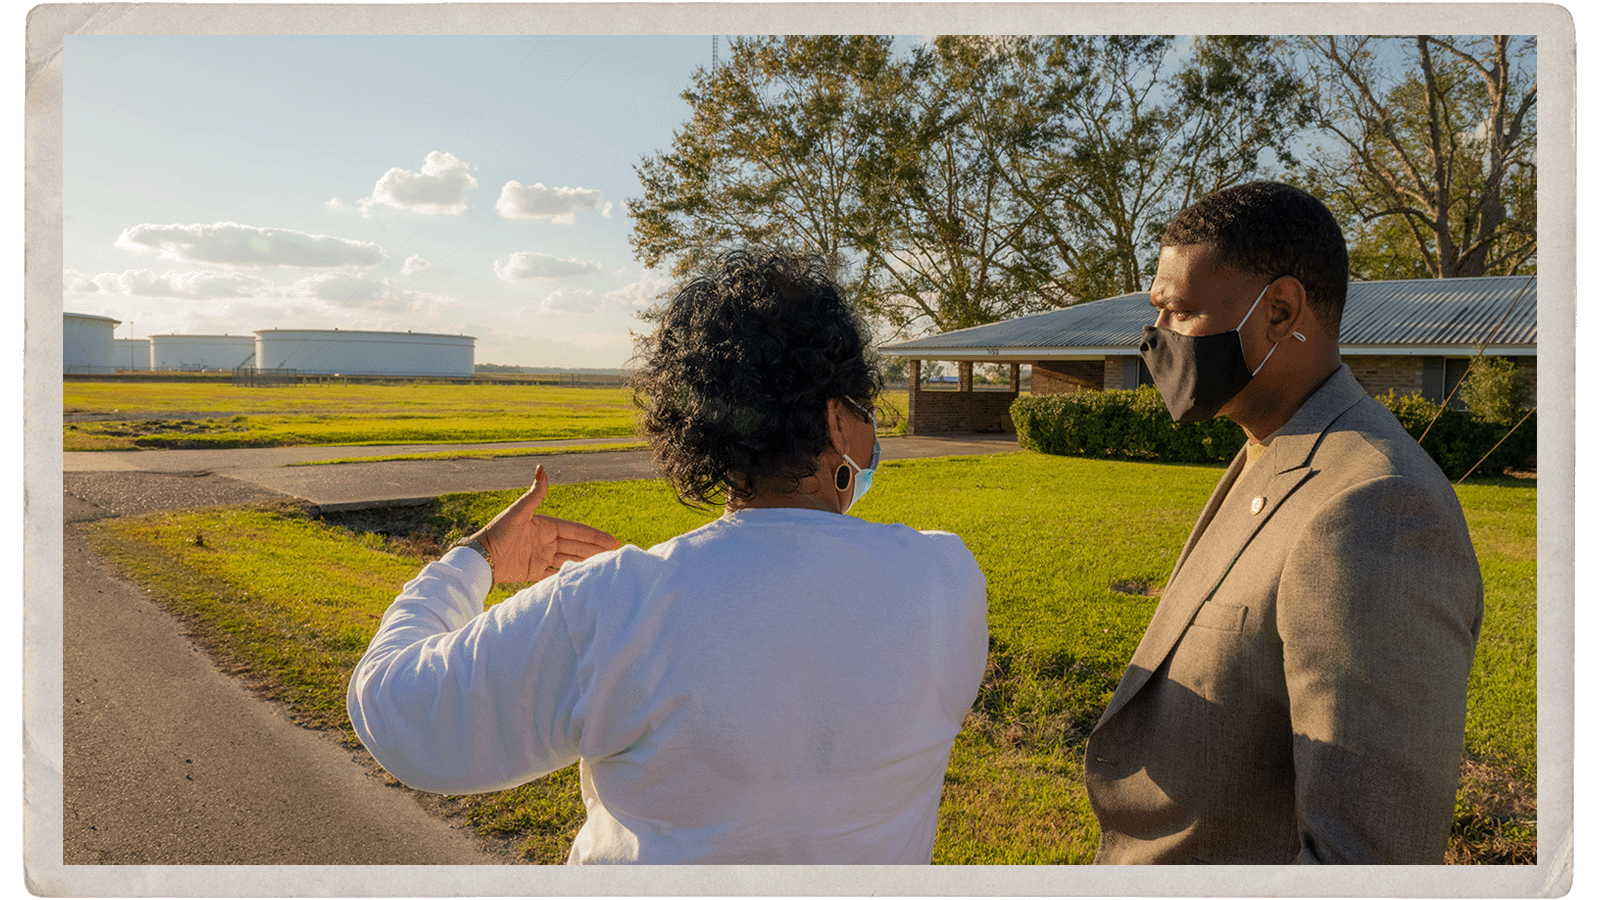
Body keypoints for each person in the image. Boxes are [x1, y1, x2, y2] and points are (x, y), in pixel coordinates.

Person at [346, 250, 989, 864]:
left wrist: (476, 558)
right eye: (866, 409)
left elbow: (396, 710)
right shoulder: (948, 581)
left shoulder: (618, 601)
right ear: (837, 422)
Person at [1083, 181, 1484, 864]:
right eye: (1158, 312)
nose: (1157, 340)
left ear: (1280, 312)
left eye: (1180, 312)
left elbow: (1365, 859)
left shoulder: (1377, 509)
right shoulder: (1276, 448)